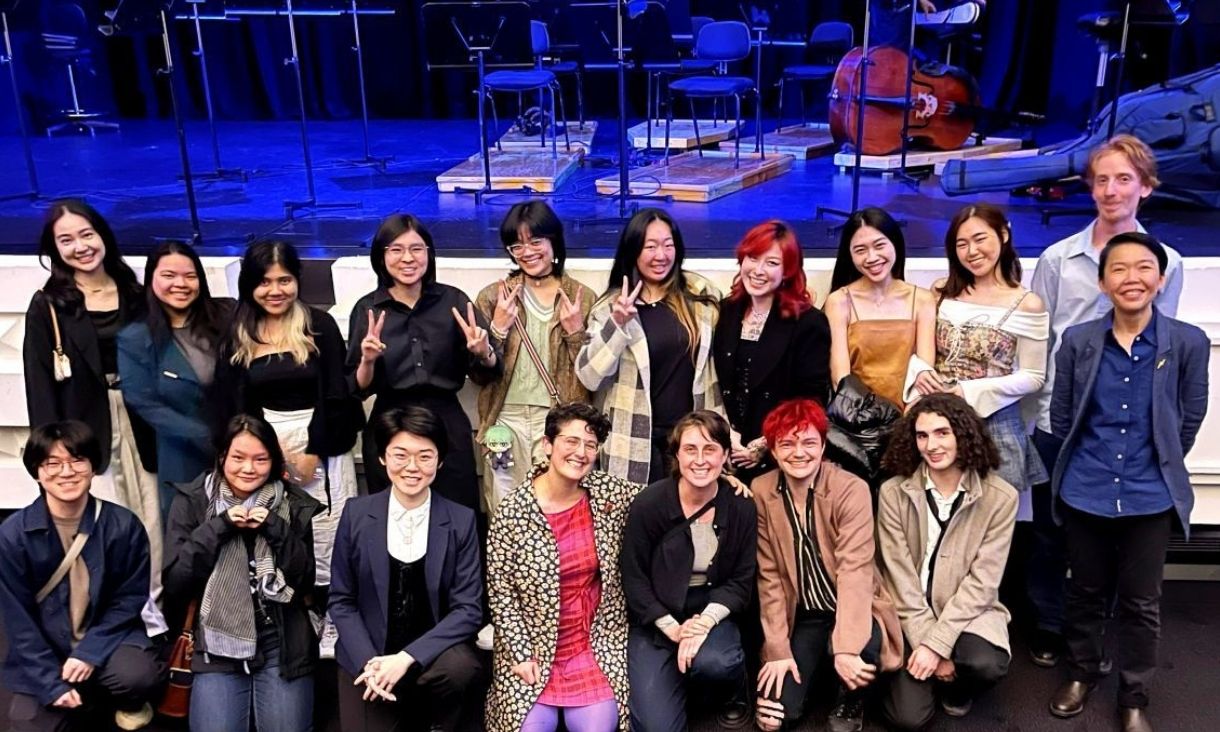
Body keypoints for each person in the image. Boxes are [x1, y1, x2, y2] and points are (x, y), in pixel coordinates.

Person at [1026, 134, 1184, 666]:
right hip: (1060, 415)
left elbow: (1164, 344)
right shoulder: (1057, 258)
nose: (1111, 190)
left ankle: (1103, 623)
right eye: (1101, 180)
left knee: (1116, 532)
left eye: (1123, 179)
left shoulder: (1169, 262)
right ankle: (1049, 623)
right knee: (1050, 531)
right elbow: (1042, 338)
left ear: (1146, 187)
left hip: (1125, 422)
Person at [1046, 233, 1209, 732]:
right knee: (1085, 592)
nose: (1131, 278)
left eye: (1143, 268)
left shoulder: (1187, 342)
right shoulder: (1079, 341)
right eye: (1118, 269)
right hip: (1086, 488)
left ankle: (1134, 696)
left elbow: (1189, 417)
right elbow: (1063, 416)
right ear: (1102, 282)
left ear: (1161, 279)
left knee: (1142, 603)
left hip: (1149, 495)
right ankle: (1081, 673)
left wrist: (1159, 461)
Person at [214, 240, 363, 657]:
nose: (275, 290)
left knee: (330, 528)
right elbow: (233, 402)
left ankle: (335, 612)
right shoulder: (237, 334)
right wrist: (264, 456)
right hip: (263, 445)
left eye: (284, 280)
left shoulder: (319, 325)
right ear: (249, 284)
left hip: (321, 442)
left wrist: (315, 448)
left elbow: (336, 392)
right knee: (279, 528)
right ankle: (295, 612)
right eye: (264, 282)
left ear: (297, 280)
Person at [23, 199, 164, 632]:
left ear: (103, 235)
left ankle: (154, 613)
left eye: (87, 234)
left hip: (143, 422)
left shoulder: (136, 293)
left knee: (153, 519)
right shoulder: (48, 304)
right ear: (54, 248)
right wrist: (53, 453)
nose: (80, 246)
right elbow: (39, 384)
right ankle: (101, 620)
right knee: (96, 522)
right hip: (84, 429)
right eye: (66, 240)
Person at [329, 406, 487, 732]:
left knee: (460, 668)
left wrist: (406, 657)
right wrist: (370, 664)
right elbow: (341, 600)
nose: (412, 467)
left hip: (433, 657)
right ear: (382, 457)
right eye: (400, 455)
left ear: (439, 461)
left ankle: (434, 720)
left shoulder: (460, 520)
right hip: (371, 654)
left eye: (425, 456)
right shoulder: (356, 514)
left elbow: (468, 610)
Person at [0, 421, 163, 732]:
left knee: (137, 677)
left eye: (77, 460)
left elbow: (129, 600)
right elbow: (18, 623)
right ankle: (77, 694)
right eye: (52, 463)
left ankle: (112, 696)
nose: (67, 472)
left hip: (109, 639)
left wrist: (89, 652)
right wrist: (50, 684)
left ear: (93, 467)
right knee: (26, 724)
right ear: (37, 472)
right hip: (47, 647)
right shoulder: (12, 536)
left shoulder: (123, 525)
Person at [162, 414, 321, 732]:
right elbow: (177, 582)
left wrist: (275, 527)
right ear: (222, 457)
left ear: (273, 462)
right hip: (215, 643)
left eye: (260, 459)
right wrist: (219, 527)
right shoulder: (193, 500)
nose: (248, 468)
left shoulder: (291, 502)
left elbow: (304, 579)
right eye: (238, 458)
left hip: (281, 641)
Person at [751, 399, 903, 732]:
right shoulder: (762, 490)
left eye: (808, 442)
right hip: (805, 614)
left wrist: (847, 648)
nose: (798, 453)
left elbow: (854, 571)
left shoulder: (851, 489)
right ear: (773, 451)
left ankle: (851, 698)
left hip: (853, 606)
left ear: (822, 446)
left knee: (859, 649)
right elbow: (769, 577)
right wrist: (777, 649)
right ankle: (821, 665)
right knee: (777, 718)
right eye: (786, 444)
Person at [485, 403, 637, 732]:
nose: (581, 452)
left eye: (590, 445)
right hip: (533, 645)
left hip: (594, 644)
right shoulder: (513, 510)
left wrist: (720, 481)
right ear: (548, 445)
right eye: (571, 441)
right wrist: (520, 653)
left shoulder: (608, 494)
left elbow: (667, 498)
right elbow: (501, 592)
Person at [876, 393, 1017, 731]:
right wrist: (930, 645)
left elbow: (983, 583)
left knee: (984, 663)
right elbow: (899, 579)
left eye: (942, 433)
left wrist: (937, 645)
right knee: (907, 718)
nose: (932, 445)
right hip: (910, 612)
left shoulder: (1000, 498)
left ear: (964, 435)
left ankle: (958, 686)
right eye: (922, 435)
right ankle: (931, 674)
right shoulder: (893, 492)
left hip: (968, 611)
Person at [347, 213, 502, 510]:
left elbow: (488, 374)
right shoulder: (368, 309)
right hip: (389, 423)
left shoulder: (453, 301)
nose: (408, 258)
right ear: (381, 256)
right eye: (396, 249)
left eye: (416, 249)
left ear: (429, 254)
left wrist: (483, 353)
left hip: (446, 422)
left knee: (458, 510)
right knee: (392, 515)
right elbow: (357, 388)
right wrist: (367, 361)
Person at [908, 204, 1049, 520]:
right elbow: (923, 354)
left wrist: (968, 391)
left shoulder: (1027, 303)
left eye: (980, 239)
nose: (972, 251)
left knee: (990, 529)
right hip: (939, 422)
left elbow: (1034, 376)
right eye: (962, 244)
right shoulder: (941, 291)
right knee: (933, 524)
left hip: (996, 426)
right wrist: (922, 374)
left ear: (1003, 235)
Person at [620, 411, 757, 730]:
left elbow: (741, 581)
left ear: (725, 455)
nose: (700, 460)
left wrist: (703, 624)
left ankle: (730, 690)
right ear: (677, 454)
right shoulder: (650, 503)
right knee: (655, 727)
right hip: (657, 617)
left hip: (712, 610)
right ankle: (676, 679)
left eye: (710, 449)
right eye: (690, 449)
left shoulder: (741, 506)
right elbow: (634, 577)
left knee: (716, 663)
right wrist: (674, 629)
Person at [576, 208, 723, 484]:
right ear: (633, 250)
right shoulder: (611, 306)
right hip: (633, 442)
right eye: (650, 246)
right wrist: (617, 324)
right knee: (638, 511)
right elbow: (589, 377)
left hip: (693, 443)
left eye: (668, 245)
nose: (661, 255)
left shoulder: (701, 294)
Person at [474, 202, 596, 512]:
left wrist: (575, 332)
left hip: (557, 421)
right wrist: (498, 329)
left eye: (535, 241)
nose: (526, 252)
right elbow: (479, 374)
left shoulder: (581, 298)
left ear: (554, 240)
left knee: (556, 507)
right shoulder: (494, 296)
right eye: (517, 245)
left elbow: (593, 374)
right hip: (505, 419)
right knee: (505, 509)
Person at [118, 240, 234, 519]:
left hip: (241, 447)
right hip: (181, 452)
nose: (180, 284)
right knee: (191, 531)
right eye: (169, 275)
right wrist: (205, 437)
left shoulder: (227, 316)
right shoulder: (135, 337)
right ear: (151, 279)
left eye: (190, 276)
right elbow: (143, 401)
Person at [712, 220, 831, 484]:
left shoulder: (808, 323)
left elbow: (811, 401)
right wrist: (725, 435)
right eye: (753, 258)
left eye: (772, 263)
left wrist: (766, 443)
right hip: (726, 452)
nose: (758, 270)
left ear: (787, 271)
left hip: (781, 454)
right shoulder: (726, 311)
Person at [823, 207, 937, 410]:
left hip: (910, 414)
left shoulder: (923, 300)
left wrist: (909, 419)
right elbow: (841, 379)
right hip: (858, 415)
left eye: (879, 245)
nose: (872, 257)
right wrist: (872, 417)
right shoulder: (839, 301)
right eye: (860, 250)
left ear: (895, 243)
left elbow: (924, 375)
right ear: (849, 254)